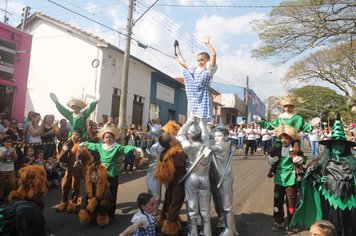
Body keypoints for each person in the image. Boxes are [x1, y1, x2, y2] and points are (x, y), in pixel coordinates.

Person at [290, 114, 356, 236]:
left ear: (345, 147)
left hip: (349, 199)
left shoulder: (353, 163)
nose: (338, 147)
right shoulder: (323, 162)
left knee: (349, 225)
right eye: (335, 144)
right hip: (329, 199)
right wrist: (319, 179)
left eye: (341, 145)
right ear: (330, 147)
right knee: (330, 226)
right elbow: (310, 174)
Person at [79, 126, 140, 218]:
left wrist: (135, 148)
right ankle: (100, 212)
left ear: (113, 138)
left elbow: (125, 148)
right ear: (103, 138)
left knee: (112, 193)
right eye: (106, 137)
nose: (108, 139)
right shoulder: (100, 146)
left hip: (112, 173)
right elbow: (91, 145)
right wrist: (83, 144)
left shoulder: (117, 147)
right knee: (100, 193)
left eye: (110, 137)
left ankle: (111, 214)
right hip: (101, 173)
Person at [175, 36, 217, 140]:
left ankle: (205, 141)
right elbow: (184, 64)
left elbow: (214, 55)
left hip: (202, 97)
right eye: (198, 60)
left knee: (202, 123)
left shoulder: (209, 70)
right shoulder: (195, 69)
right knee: (191, 119)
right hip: (193, 96)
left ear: (207, 61)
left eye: (202, 60)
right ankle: (180, 137)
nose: (200, 62)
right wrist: (177, 56)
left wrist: (208, 43)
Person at [176, 120, 212, 236]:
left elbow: (180, 135)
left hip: (192, 179)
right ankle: (207, 232)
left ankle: (193, 232)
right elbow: (206, 133)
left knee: (192, 208)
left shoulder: (188, 146)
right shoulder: (207, 143)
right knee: (205, 209)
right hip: (205, 179)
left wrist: (189, 122)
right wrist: (201, 121)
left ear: (190, 135)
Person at [266, 125, 304, 234]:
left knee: (291, 201)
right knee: (277, 201)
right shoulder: (277, 147)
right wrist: (270, 160)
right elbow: (271, 156)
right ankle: (279, 221)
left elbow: (303, 158)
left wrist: (300, 160)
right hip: (279, 178)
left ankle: (292, 222)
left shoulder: (295, 149)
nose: (284, 140)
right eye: (282, 138)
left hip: (291, 178)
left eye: (286, 138)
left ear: (291, 139)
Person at [154, 126, 187, 235]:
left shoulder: (164, 152)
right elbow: (185, 163)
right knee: (176, 203)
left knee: (168, 200)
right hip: (178, 181)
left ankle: (163, 219)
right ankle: (169, 226)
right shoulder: (177, 153)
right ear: (171, 143)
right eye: (172, 137)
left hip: (170, 181)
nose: (174, 136)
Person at [211, 126, 239, 236]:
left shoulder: (221, 146)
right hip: (220, 177)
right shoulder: (225, 144)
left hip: (225, 178)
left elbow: (206, 145)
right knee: (223, 204)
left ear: (226, 136)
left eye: (219, 136)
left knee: (227, 206)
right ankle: (231, 226)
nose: (217, 138)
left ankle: (229, 229)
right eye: (215, 136)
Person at [78, 163, 114, 227]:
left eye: (96, 175)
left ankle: (102, 217)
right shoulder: (89, 184)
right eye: (92, 175)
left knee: (104, 203)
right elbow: (85, 196)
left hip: (101, 205)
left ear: (99, 176)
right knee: (81, 203)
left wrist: (96, 198)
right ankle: (92, 216)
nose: (94, 176)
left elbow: (110, 197)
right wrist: (83, 209)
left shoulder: (104, 184)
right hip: (93, 206)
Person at [0, 136, 18, 203]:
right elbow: (1, 158)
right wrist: (6, 151)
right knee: (1, 184)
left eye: (10, 141)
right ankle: (1, 198)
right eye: (7, 141)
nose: (9, 143)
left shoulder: (13, 149)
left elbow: (16, 159)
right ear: (3, 142)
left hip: (11, 170)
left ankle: (12, 197)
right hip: (2, 170)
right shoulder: (1, 149)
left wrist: (13, 153)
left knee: (13, 184)